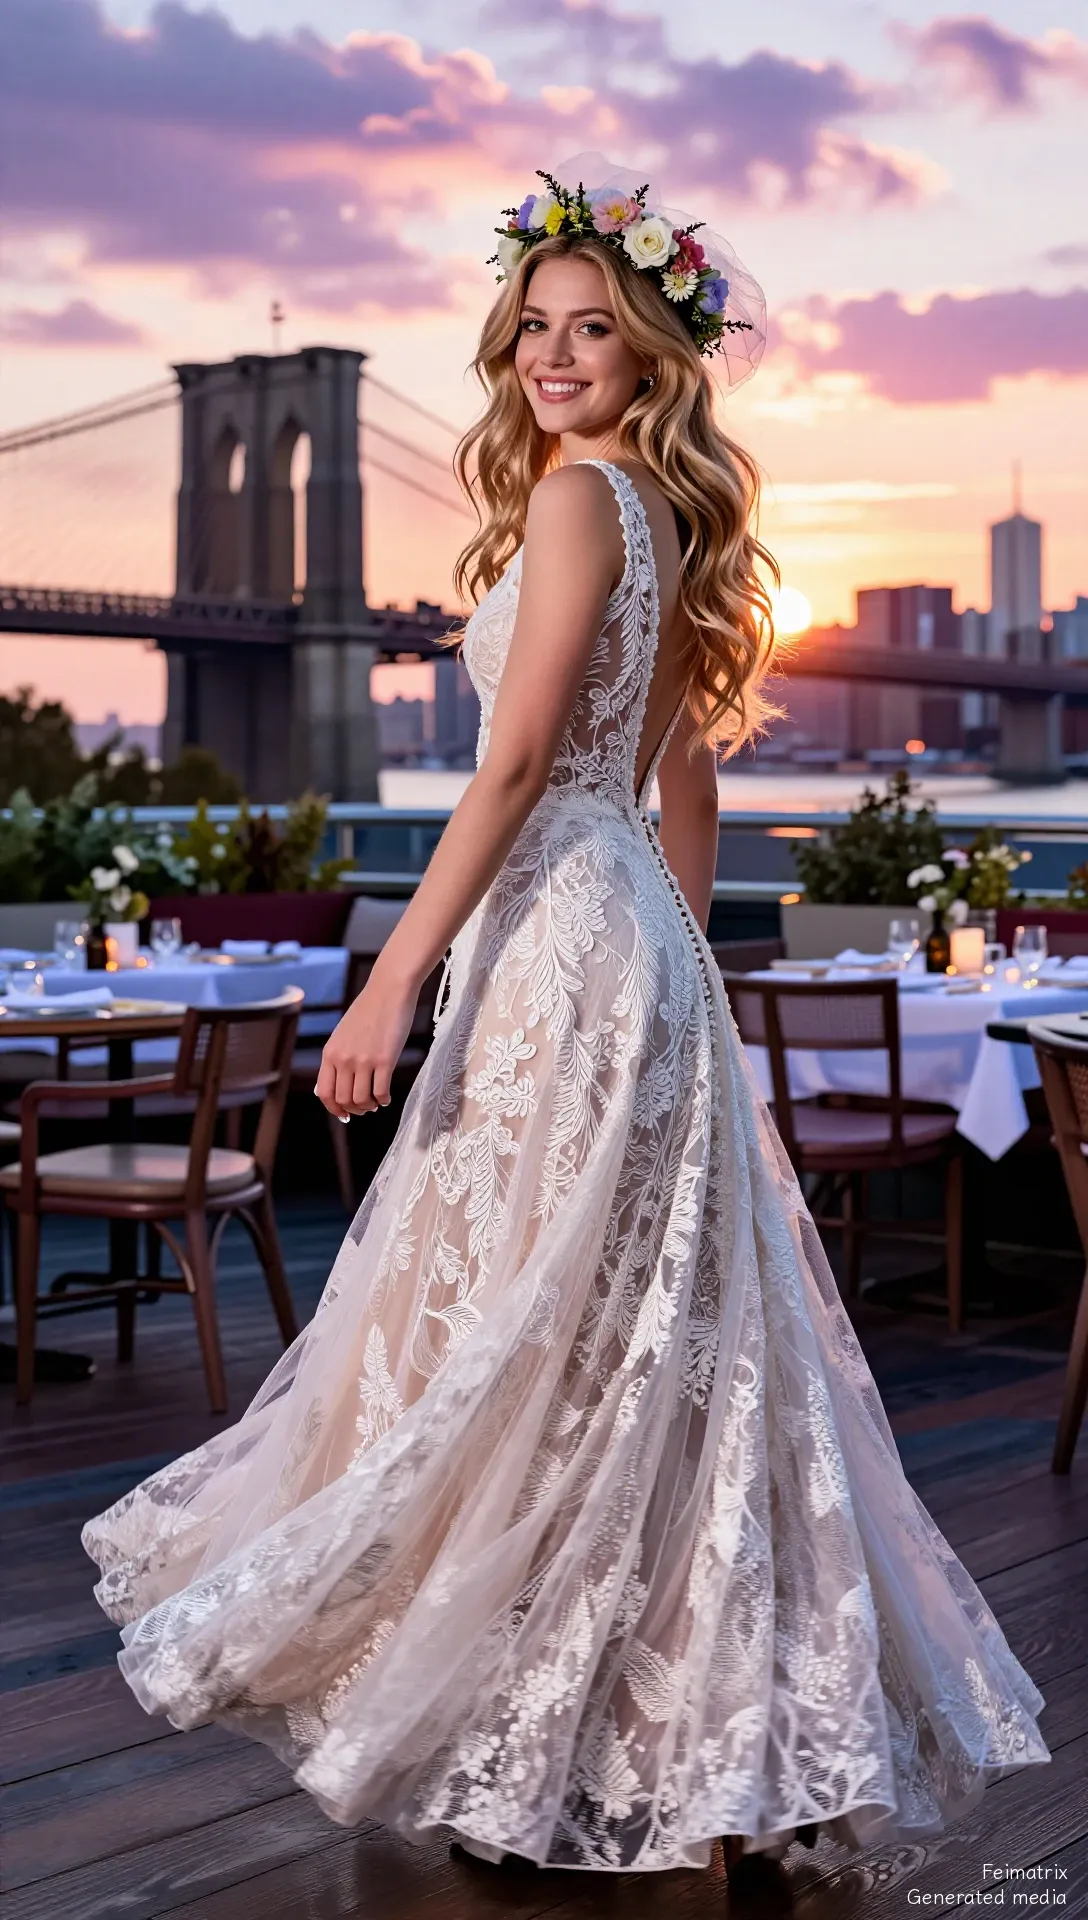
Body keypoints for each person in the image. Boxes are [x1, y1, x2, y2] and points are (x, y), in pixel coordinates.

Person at [83, 153, 1048, 1891]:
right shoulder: (663, 516)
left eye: (595, 327)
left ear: (654, 349)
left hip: (557, 938)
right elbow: (686, 782)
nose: (555, 353)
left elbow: (521, 767)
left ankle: (549, 1700)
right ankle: (651, 1711)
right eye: (535, 325)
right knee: (630, 1338)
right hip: (629, 946)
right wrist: (679, 968)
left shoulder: (579, 503)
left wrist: (386, 977)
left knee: (527, 1318)